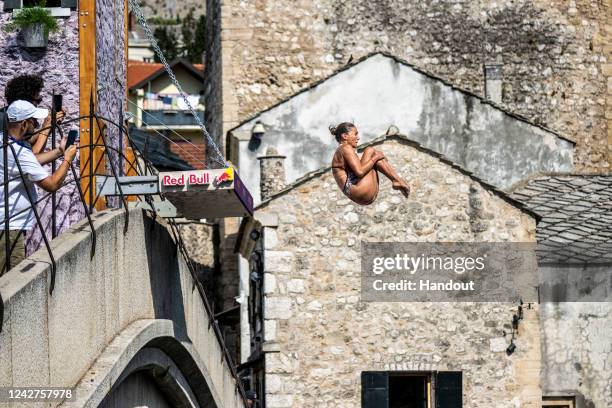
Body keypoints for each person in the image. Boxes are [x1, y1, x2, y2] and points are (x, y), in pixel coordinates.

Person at [0, 100, 77, 274]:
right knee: (11, 281)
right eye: (34, 121)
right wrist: (67, 160)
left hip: (6, 224)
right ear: (24, 124)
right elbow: (52, 184)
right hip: (10, 227)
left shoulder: (5, 143)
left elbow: (31, 162)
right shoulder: (19, 152)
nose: (36, 125)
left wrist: (59, 151)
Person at [331, 122, 410, 205]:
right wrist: (376, 157)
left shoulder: (342, 150)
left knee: (373, 153)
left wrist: (376, 157)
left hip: (363, 194)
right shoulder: (345, 148)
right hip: (360, 191)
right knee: (370, 151)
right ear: (345, 136)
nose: (358, 138)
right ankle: (396, 180)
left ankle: (396, 180)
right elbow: (360, 172)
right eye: (355, 134)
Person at [3, 74, 66, 158]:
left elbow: (29, 141)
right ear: (25, 101)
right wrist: (45, 130)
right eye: (38, 100)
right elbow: (31, 158)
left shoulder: (14, 118)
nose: (38, 104)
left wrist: (49, 126)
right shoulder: (6, 121)